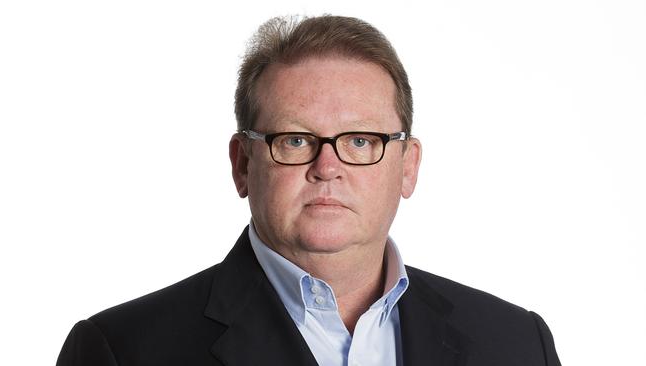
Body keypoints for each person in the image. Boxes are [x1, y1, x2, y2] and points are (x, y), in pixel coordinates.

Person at [57, 15, 561, 366]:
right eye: (295, 139)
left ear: (408, 167)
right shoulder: (122, 352)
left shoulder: (517, 344)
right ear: (242, 164)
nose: (327, 166)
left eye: (361, 140)